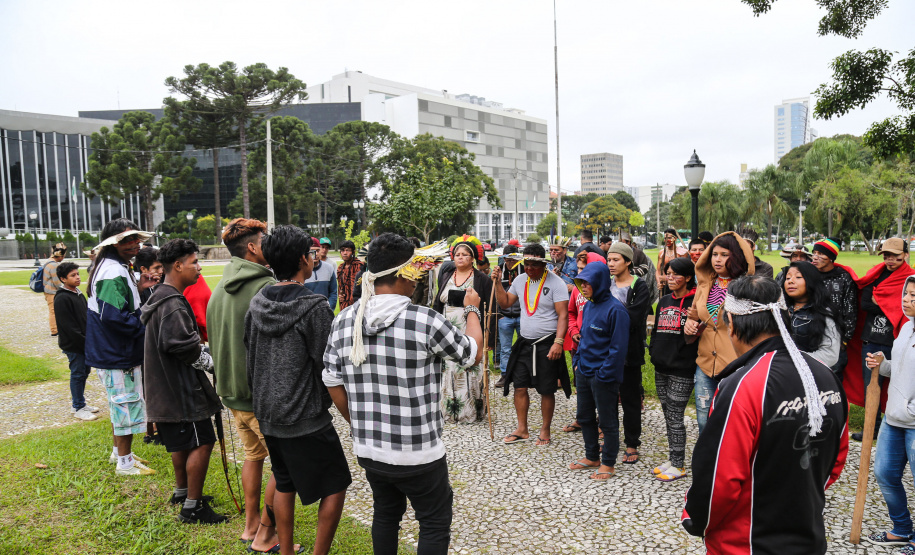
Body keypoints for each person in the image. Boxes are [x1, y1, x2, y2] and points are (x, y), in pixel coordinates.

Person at [323, 233, 483, 555]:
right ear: (403, 273)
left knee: (385, 513)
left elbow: (331, 380)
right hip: (418, 453)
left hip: (370, 450)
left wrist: (357, 424)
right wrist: (472, 311)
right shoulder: (424, 320)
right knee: (434, 521)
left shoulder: (344, 320)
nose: (421, 276)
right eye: (417, 269)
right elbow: (472, 354)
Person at [681, 276, 848, 554]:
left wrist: (697, 520)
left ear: (731, 324)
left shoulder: (742, 385)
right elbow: (835, 459)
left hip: (746, 541)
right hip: (808, 533)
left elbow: (719, 480)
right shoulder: (825, 375)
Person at [247, 226, 349, 555]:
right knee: (335, 484)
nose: (316, 256)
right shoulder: (314, 306)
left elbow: (250, 354)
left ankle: (286, 550)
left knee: (285, 481)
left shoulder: (257, 302)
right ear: (304, 259)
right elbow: (329, 364)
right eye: (311, 252)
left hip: (267, 412)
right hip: (304, 416)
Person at [140, 239, 226, 524]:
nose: (199, 268)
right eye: (193, 263)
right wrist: (216, 363)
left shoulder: (159, 295)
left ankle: (182, 491)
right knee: (202, 441)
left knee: (181, 442)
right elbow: (184, 347)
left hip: (162, 389)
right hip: (181, 389)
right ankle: (192, 507)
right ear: (177, 266)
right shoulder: (174, 303)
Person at [207, 217, 280, 547]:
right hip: (258, 397)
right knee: (286, 466)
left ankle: (251, 526)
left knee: (253, 457)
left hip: (231, 394)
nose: (270, 244)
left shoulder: (220, 286)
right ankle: (266, 534)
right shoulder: (263, 288)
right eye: (265, 239)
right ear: (252, 247)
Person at [85, 219, 155, 476]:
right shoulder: (112, 270)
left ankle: (119, 452)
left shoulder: (114, 266)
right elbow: (113, 316)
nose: (134, 244)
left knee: (119, 405)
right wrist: (145, 329)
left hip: (113, 350)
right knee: (126, 404)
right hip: (116, 352)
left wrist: (138, 287)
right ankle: (124, 463)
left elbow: (115, 304)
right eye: (126, 240)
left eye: (136, 238)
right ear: (112, 243)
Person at [492, 244, 572, 446]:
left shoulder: (556, 283)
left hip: (547, 344)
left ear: (543, 264)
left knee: (547, 389)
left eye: (533, 265)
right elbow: (505, 303)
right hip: (524, 343)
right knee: (519, 387)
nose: (528, 269)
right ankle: (522, 429)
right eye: (526, 264)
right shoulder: (520, 280)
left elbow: (563, 315)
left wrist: (558, 343)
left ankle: (545, 430)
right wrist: (496, 283)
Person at [684, 232, 755, 433]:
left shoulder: (748, 288)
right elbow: (696, 315)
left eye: (724, 254)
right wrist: (690, 323)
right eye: (714, 254)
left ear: (738, 257)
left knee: (733, 422)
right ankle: (708, 463)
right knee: (704, 422)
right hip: (705, 364)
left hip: (736, 365)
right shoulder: (705, 284)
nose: (717, 259)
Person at [864, 275, 915, 551]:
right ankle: (902, 529)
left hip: (914, 422)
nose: (906, 300)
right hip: (893, 418)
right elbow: (902, 368)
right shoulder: (907, 328)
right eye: (906, 294)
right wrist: (883, 364)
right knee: (885, 474)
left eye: (913, 296)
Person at [568, 259, 629, 480]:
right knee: (584, 417)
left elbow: (618, 349)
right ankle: (592, 455)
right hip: (584, 371)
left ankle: (608, 463)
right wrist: (578, 365)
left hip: (604, 376)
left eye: (587, 282)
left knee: (607, 420)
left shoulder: (616, 310)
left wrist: (603, 374)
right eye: (580, 283)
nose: (582, 287)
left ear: (600, 281)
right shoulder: (590, 305)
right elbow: (585, 338)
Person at [849, 237, 914, 442]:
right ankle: (872, 427)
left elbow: (903, 308)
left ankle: (894, 428)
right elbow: (866, 303)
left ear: (905, 255)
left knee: (899, 386)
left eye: (895, 255)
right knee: (871, 386)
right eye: (886, 255)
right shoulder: (876, 274)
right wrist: (890, 304)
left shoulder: (910, 279)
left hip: (897, 341)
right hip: (871, 339)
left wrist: (881, 300)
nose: (890, 259)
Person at [432, 235, 493, 423]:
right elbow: (438, 304)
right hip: (448, 328)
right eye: (457, 254)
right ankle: (449, 410)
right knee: (449, 367)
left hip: (471, 327)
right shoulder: (446, 276)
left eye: (465, 254)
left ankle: (470, 411)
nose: (460, 257)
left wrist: (489, 339)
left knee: (470, 364)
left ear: (472, 258)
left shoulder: (482, 279)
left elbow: (491, 310)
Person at [648, 257, 699, 481]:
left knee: (676, 417)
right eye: (668, 273)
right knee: (668, 414)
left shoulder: (696, 302)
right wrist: (653, 353)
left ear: (688, 277)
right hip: (661, 366)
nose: (670, 278)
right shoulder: (664, 300)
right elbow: (657, 331)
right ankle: (672, 458)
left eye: (675, 274)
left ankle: (678, 465)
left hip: (682, 369)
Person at [606, 243, 651, 464]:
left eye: (616, 260)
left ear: (628, 262)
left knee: (631, 399)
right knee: (608, 398)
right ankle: (610, 437)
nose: (611, 264)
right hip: (606, 351)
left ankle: (632, 443)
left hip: (629, 351)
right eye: (609, 260)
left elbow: (633, 317)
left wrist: (609, 318)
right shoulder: (606, 284)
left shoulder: (639, 286)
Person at [561, 251, 607, 433]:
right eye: (578, 269)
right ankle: (582, 417)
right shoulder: (578, 290)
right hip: (578, 345)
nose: (579, 274)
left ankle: (603, 422)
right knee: (581, 384)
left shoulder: (602, 291)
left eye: (584, 269)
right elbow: (571, 312)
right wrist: (572, 331)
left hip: (598, 347)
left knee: (600, 386)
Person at [54, 261, 99, 421]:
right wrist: (85, 342)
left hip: (84, 342)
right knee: (78, 373)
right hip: (74, 345)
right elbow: (69, 327)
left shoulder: (77, 293)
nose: (77, 277)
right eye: (73, 275)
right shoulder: (62, 298)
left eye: (78, 274)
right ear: (63, 279)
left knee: (84, 372)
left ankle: (80, 403)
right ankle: (78, 407)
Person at [811, 237, 858, 377]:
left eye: (821, 253)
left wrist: (844, 340)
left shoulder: (844, 278)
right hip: (810, 333)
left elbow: (850, 310)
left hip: (835, 337)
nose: (815, 257)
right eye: (814, 253)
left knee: (833, 380)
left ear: (831, 257)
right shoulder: (808, 274)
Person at [783, 261, 841, 367]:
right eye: (787, 278)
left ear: (811, 280)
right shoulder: (780, 310)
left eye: (798, 277)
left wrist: (793, 362)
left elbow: (830, 355)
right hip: (780, 374)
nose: (790, 281)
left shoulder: (823, 313)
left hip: (811, 375)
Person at [494, 243, 522, 389]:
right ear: (503, 259)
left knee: (524, 346)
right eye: (507, 260)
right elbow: (494, 295)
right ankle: (505, 375)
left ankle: (525, 374)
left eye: (513, 260)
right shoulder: (499, 272)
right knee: (505, 348)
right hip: (505, 316)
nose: (510, 263)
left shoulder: (524, 271)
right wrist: (499, 314)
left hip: (522, 315)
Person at [305, 237, 338, 310]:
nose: (316, 254)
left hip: (326, 313)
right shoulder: (302, 270)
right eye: (312, 251)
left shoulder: (329, 268)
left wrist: (329, 309)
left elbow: (333, 292)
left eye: (317, 250)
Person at [42, 242, 68, 336]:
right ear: (60, 255)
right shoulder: (54, 265)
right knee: (53, 311)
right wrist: (65, 288)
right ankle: (54, 330)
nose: (64, 258)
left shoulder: (48, 261)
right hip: (52, 291)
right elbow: (57, 281)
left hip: (47, 290)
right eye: (64, 255)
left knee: (53, 310)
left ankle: (55, 328)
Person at [656, 228, 689, 296]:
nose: (667, 240)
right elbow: (658, 271)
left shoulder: (682, 253)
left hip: (678, 284)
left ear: (675, 239)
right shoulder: (661, 253)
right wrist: (659, 282)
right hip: (665, 286)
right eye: (665, 238)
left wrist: (667, 278)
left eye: (669, 238)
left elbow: (684, 272)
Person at [337, 240, 364, 311]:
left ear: (353, 252)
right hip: (344, 305)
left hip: (358, 303)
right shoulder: (340, 268)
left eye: (347, 250)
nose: (345, 253)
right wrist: (340, 296)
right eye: (342, 250)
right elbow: (340, 287)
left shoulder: (359, 265)